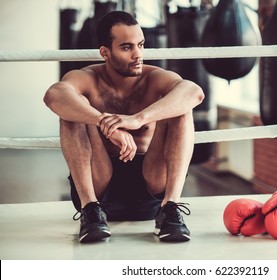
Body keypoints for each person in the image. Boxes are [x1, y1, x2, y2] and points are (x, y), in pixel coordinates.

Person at [43, 10, 204, 243]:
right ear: (105, 53)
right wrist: (104, 122)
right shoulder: (88, 78)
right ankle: (90, 212)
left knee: (180, 109)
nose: (138, 54)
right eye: (127, 47)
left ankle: (170, 211)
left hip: (152, 188)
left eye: (141, 44)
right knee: (72, 110)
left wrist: (138, 119)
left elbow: (194, 92)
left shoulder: (153, 78)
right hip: (99, 188)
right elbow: (54, 96)